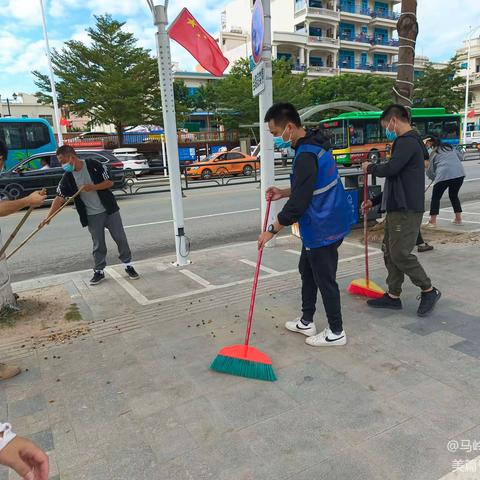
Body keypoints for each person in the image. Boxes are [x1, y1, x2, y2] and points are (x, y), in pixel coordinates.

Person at [258, 102, 352, 347]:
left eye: (276, 134)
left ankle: (336, 332)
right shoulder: (313, 144)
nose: (277, 139)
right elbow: (308, 187)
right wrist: (283, 192)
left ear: (289, 127)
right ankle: (307, 320)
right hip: (325, 221)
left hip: (323, 226)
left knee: (324, 278)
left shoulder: (306, 155)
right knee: (307, 270)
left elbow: (299, 204)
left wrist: (271, 230)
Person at [362, 104, 441, 317]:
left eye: (386, 125)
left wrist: (370, 167)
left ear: (394, 121)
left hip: (406, 208)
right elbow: (396, 180)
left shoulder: (406, 141)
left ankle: (428, 289)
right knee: (389, 251)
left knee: (399, 253)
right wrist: (375, 201)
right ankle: (393, 295)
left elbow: (390, 170)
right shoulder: (409, 142)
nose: (387, 129)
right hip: (398, 206)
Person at [39, 145, 139, 285]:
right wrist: (48, 217)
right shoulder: (68, 177)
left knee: (120, 238)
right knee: (98, 244)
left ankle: (128, 265)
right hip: (92, 215)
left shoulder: (94, 165)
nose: (62, 165)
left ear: (72, 157)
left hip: (110, 210)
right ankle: (99, 271)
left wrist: (93, 187)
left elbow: (109, 182)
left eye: (63, 161)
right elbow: (59, 197)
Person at [423, 135, 466, 227]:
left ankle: (432, 221)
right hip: (459, 174)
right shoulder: (449, 147)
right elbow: (461, 157)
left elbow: (430, 170)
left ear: (430, 142)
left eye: (425, 143)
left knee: (435, 198)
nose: (425, 145)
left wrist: (433, 177)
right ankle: (458, 219)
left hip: (443, 175)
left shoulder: (432, 151)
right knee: (454, 196)